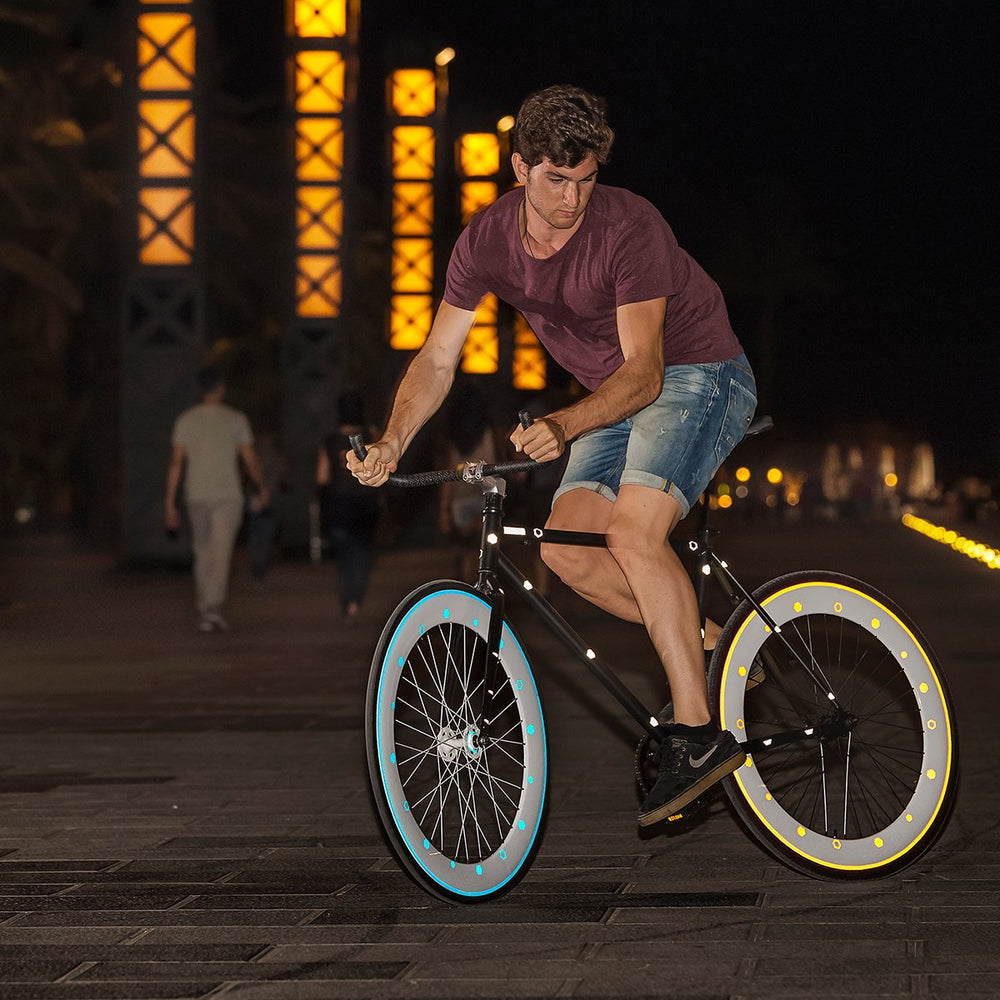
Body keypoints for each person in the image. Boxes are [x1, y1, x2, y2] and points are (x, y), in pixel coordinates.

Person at [347, 85, 758, 827]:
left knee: (633, 534)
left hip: (698, 374)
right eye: (556, 179)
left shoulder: (629, 227)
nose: (572, 199)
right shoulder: (486, 241)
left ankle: (699, 734)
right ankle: (718, 645)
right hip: (611, 395)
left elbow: (646, 374)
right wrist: (391, 442)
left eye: (586, 179)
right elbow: (437, 358)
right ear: (520, 168)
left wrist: (564, 425)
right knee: (567, 550)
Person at [165, 365, 269, 632]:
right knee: (219, 551)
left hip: (196, 494)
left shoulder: (185, 420)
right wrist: (261, 486)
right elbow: (249, 459)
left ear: (200, 390)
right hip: (227, 495)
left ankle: (207, 607)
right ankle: (211, 608)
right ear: (221, 388)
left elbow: (176, 462)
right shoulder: (236, 419)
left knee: (203, 551)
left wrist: (170, 503)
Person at [316, 390, 381, 618]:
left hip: (338, 504)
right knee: (362, 553)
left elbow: (322, 476)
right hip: (365, 502)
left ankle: (348, 600)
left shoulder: (330, 441)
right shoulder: (371, 435)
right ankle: (356, 598)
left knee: (344, 556)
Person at [438, 381, 501, 581]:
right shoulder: (489, 431)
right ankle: (479, 587)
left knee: (465, 550)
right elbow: (497, 464)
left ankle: (465, 587)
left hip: (461, 499)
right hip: (486, 497)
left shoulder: (454, 436)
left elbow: (449, 475)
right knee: (483, 550)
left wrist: (444, 510)